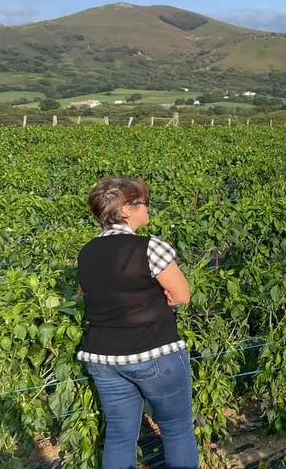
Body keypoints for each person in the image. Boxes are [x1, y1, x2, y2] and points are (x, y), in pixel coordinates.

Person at [77, 177, 198, 469]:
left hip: (104, 358)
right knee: (176, 429)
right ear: (126, 210)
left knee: (119, 435)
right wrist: (161, 295)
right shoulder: (150, 247)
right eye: (144, 203)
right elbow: (182, 295)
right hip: (154, 352)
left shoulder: (86, 252)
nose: (147, 208)